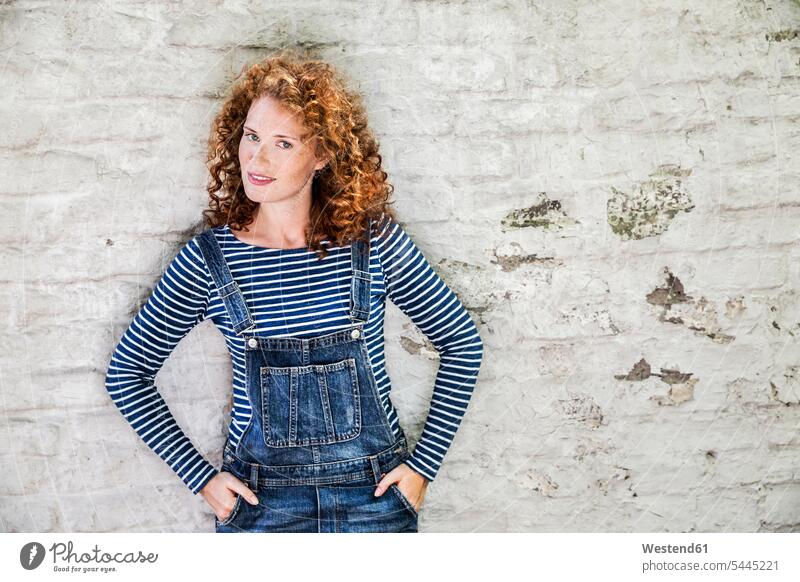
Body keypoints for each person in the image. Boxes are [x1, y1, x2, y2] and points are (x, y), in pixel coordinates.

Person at [104, 51, 484, 533]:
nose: (257, 159)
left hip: (374, 499)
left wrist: (423, 468)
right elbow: (126, 373)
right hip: (261, 506)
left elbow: (463, 343)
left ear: (322, 155)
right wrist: (201, 479)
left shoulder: (373, 244)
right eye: (252, 136)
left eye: (283, 144)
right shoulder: (209, 260)